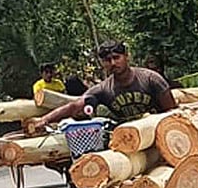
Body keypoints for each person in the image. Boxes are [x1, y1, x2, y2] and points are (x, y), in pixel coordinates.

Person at [31, 40, 179, 128]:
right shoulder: (104, 90)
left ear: (126, 57)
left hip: (159, 130)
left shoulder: (151, 80)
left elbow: (172, 112)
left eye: (116, 57)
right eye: (107, 60)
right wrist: (44, 120)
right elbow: (74, 106)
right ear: (103, 63)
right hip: (128, 137)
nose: (113, 63)